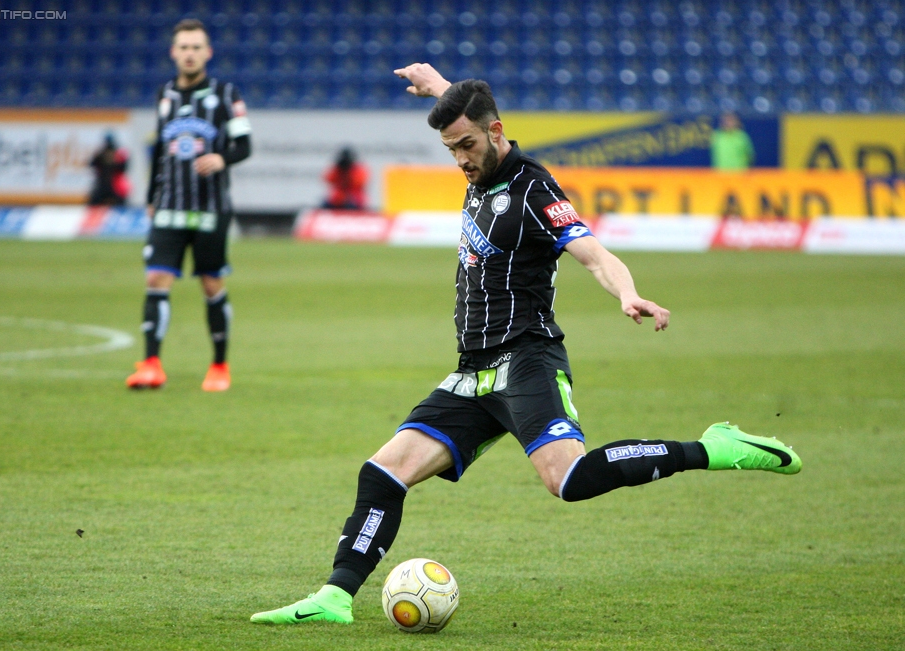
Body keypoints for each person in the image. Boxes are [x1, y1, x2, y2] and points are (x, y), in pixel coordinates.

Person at [249, 64, 802, 625]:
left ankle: (711, 447)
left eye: (466, 145)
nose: (460, 159)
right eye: (450, 149)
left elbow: (592, 251)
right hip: (473, 371)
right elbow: (471, 112)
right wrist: (443, 90)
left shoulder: (535, 189)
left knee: (568, 481)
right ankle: (336, 597)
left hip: (526, 359)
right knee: (383, 472)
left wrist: (627, 293)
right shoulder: (478, 162)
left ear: (495, 133)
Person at [125, 18, 252, 391]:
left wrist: (222, 159)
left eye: (196, 47)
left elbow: (244, 145)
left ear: (207, 53)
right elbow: (160, 153)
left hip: (211, 208)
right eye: (184, 47)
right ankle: (150, 364)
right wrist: (150, 197)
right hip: (168, 206)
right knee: (156, 278)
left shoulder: (226, 94)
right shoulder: (165, 94)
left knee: (211, 284)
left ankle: (218, 366)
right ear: (173, 52)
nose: (190, 53)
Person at [88, 134, 130, 206]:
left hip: (115, 185)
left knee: (121, 204)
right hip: (102, 184)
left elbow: (124, 168)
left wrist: (115, 162)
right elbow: (91, 164)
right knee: (94, 202)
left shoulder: (118, 154)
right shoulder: (101, 154)